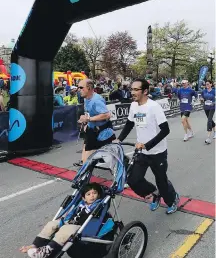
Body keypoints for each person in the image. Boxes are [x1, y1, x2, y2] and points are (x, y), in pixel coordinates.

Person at [115, 78, 179, 214]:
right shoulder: (133, 105)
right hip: (141, 152)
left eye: (136, 89)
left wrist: (147, 145)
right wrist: (119, 139)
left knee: (161, 181)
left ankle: (172, 200)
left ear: (145, 91)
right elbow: (129, 124)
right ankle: (152, 194)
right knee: (133, 179)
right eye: (131, 89)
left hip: (157, 152)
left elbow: (165, 130)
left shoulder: (153, 107)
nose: (132, 92)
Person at [20, 183, 102, 258]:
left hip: (80, 226)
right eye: (88, 194)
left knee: (64, 231)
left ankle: (47, 250)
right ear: (84, 198)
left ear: (98, 195)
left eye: (94, 193)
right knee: (51, 225)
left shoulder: (97, 206)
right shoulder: (80, 204)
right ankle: (35, 245)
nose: (92, 196)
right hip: (69, 221)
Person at [74, 79, 116, 166]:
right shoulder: (86, 98)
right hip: (92, 127)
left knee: (108, 151)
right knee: (87, 145)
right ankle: (84, 164)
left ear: (89, 88)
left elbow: (106, 115)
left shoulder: (96, 100)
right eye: (78, 87)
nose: (78, 89)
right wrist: (85, 122)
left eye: (81, 87)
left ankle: (120, 166)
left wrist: (88, 119)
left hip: (102, 128)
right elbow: (88, 113)